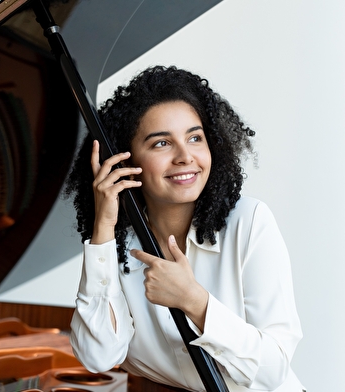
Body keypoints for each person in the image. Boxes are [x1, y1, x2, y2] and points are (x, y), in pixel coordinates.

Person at [66, 65, 305, 391]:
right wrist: (104, 226)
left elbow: (273, 371)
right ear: (125, 161)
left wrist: (195, 301)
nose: (184, 156)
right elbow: (98, 356)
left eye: (195, 138)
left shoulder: (249, 223)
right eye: (161, 143)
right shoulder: (117, 245)